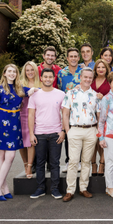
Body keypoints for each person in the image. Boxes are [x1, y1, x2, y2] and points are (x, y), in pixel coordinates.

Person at [0, 64, 30, 201]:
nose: (12, 73)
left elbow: (38, 90)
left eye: (14, 71)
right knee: (1, 156)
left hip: (14, 125)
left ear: (17, 74)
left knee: (10, 156)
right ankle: (3, 188)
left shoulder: (20, 89)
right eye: (9, 71)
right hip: (0, 124)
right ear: (4, 73)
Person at [62, 67, 100, 202]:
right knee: (73, 161)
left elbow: (98, 115)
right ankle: (70, 190)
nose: (88, 79)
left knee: (86, 161)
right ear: (80, 77)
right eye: (85, 77)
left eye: (90, 77)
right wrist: (68, 131)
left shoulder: (96, 95)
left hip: (91, 130)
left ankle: (83, 188)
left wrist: (97, 130)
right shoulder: (70, 93)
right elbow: (65, 113)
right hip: (75, 130)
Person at [28, 68, 66, 200]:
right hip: (39, 134)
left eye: (50, 77)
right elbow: (31, 114)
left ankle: (55, 189)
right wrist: (31, 134)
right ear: (42, 78)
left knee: (55, 163)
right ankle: (40, 188)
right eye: (46, 77)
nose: (48, 79)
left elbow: (65, 115)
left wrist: (63, 131)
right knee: (40, 163)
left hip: (56, 133)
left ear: (54, 78)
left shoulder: (61, 94)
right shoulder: (35, 94)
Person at [57, 48, 82, 173]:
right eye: (71, 56)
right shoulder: (61, 73)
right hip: (67, 109)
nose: (73, 58)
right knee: (69, 136)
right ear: (67, 58)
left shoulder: (83, 72)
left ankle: (80, 162)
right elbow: (57, 90)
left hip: (81, 110)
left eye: (75, 56)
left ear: (78, 58)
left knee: (81, 135)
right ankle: (69, 161)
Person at [19, 61, 41, 178]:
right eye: (27, 70)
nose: (30, 72)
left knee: (31, 141)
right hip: (22, 114)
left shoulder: (40, 83)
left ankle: (30, 166)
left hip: (35, 116)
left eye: (32, 70)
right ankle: (25, 163)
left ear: (35, 71)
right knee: (22, 142)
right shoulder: (20, 83)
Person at [90, 59, 111, 176]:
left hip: (106, 114)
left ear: (106, 68)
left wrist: (103, 97)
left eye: (103, 67)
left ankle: (102, 164)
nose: (101, 69)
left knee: (103, 139)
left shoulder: (109, 81)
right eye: (98, 67)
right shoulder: (91, 80)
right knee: (93, 140)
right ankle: (93, 164)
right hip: (91, 114)